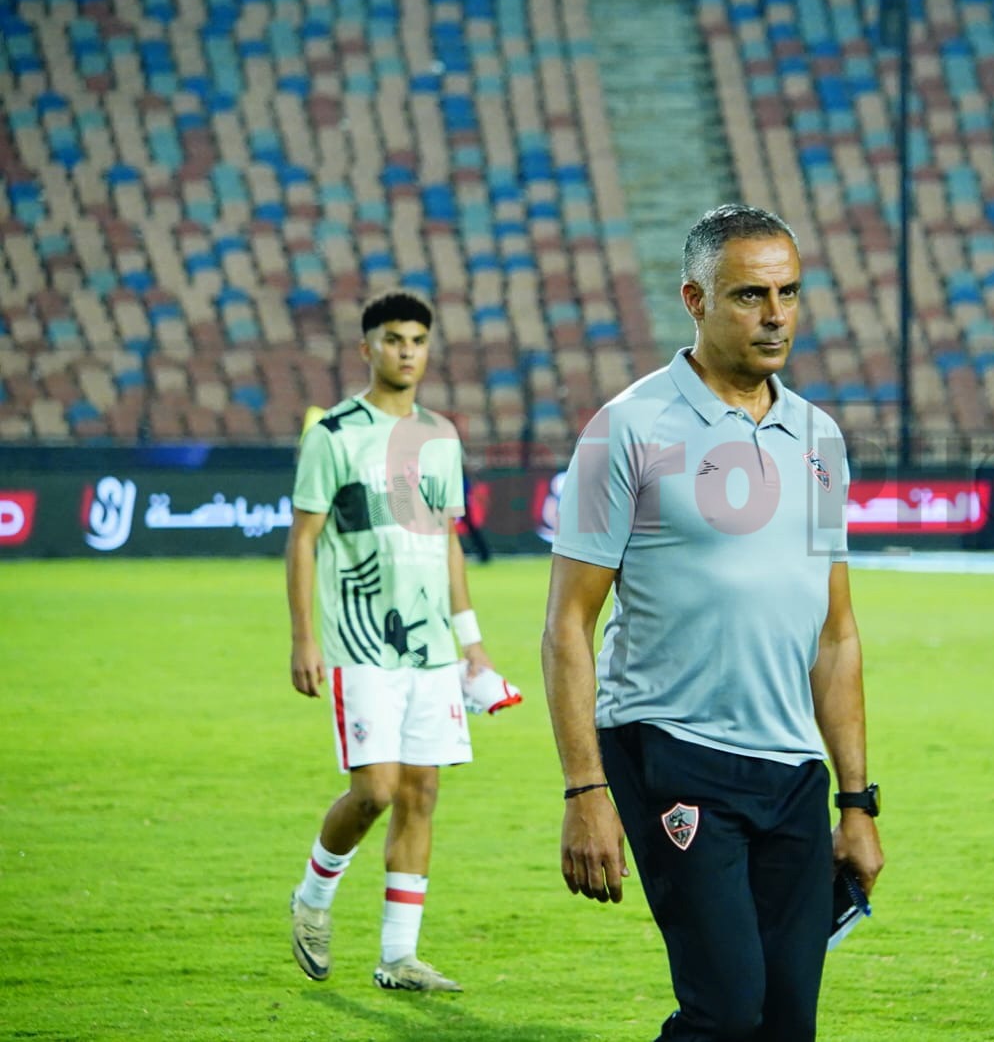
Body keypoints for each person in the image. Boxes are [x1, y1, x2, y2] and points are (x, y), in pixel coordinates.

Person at [541, 204, 885, 1040]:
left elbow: (835, 633)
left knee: (786, 1024)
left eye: (788, 292)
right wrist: (585, 790)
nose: (775, 315)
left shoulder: (819, 437)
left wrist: (856, 801)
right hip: (672, 749)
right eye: (749, 295)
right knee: (726, 1012)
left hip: (792, 770)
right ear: (694, 300)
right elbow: (567, 626)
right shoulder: (627, 428)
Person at [285, 290, 492, 992]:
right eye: (394, 339)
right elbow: (303, 539)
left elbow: (448, 543)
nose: (407, 351)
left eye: (417, 340)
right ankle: (312, 898)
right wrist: (304, 638)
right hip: (361, 643)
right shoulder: (334, 433)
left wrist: (472, 643)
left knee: (421, 791)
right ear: (366, 348)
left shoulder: (441, 436)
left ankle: (399, 956)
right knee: (374, 790)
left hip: (431, 649)